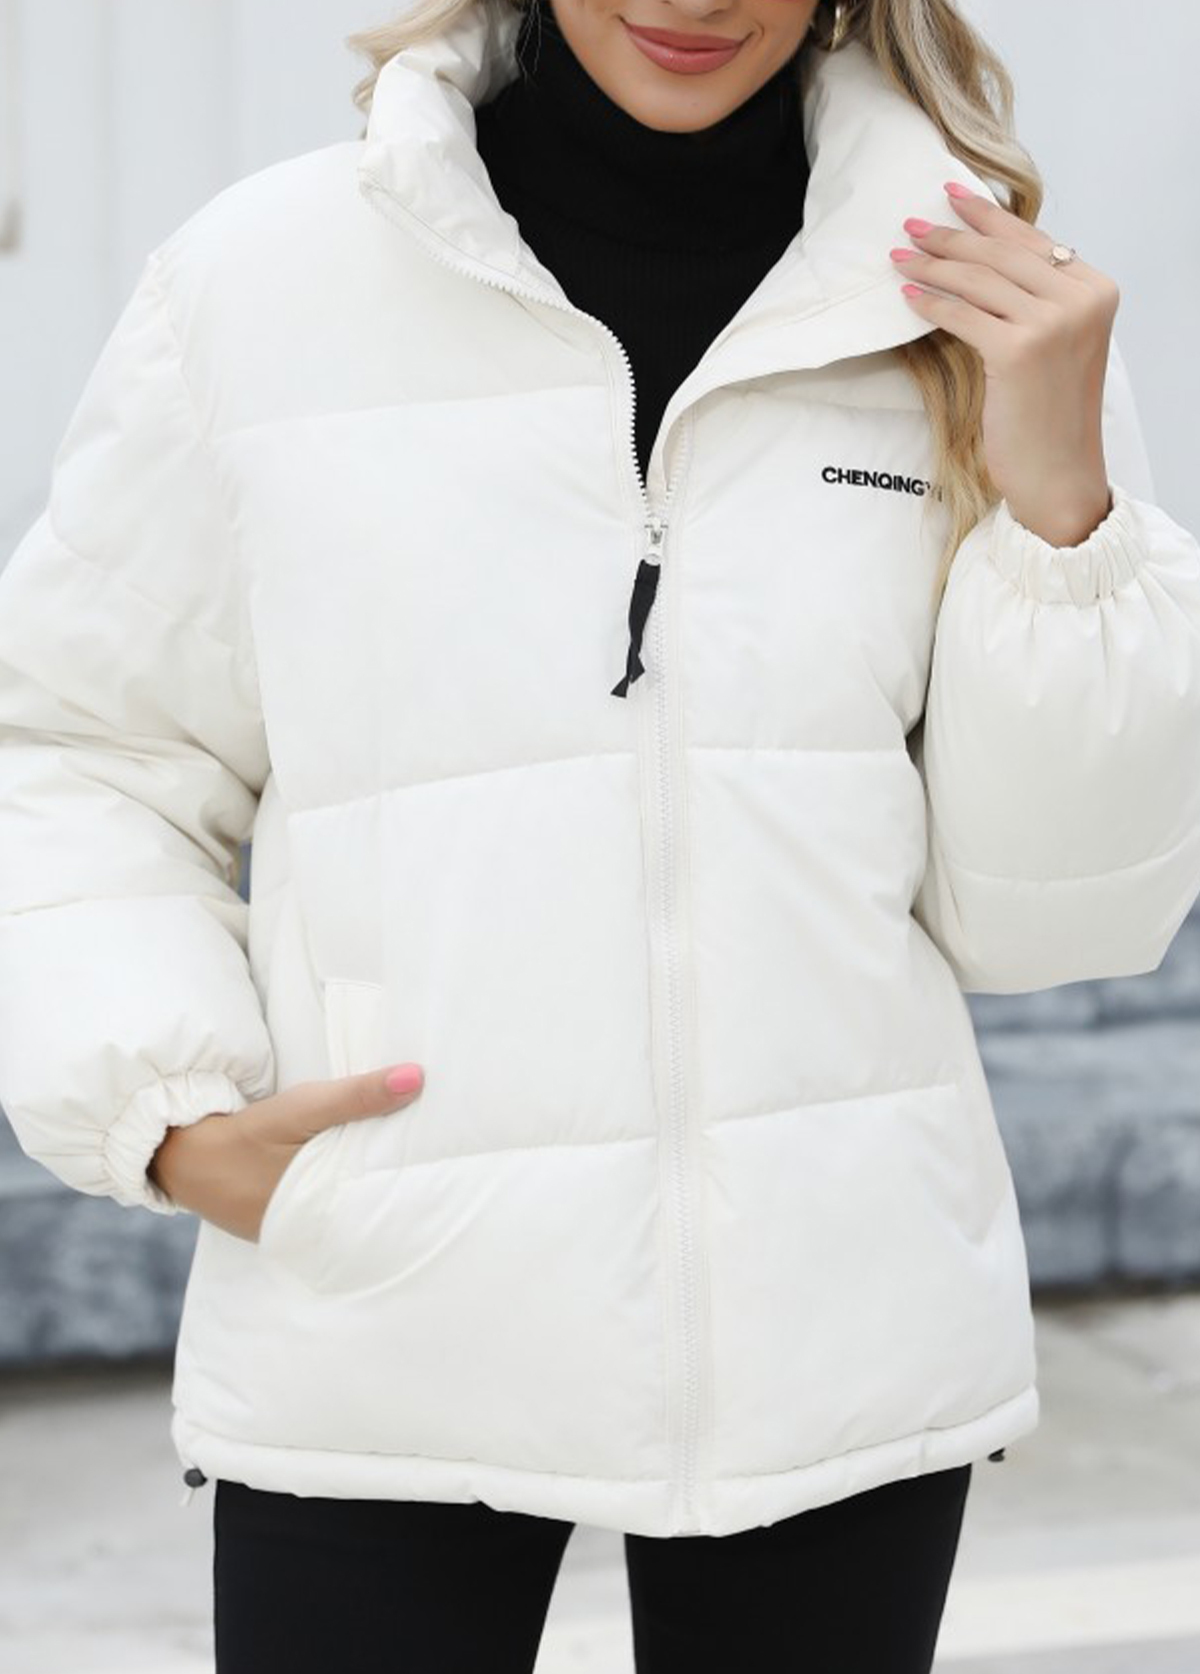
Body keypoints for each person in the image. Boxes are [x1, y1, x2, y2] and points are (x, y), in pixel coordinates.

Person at [1, 0, 1198, 1666]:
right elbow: (80, 743)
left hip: (829, 1335)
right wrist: (165, 1104)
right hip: (385, 1313)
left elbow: (1049, 917)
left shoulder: (976, 307)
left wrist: (1065, 522)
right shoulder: (262, 285)